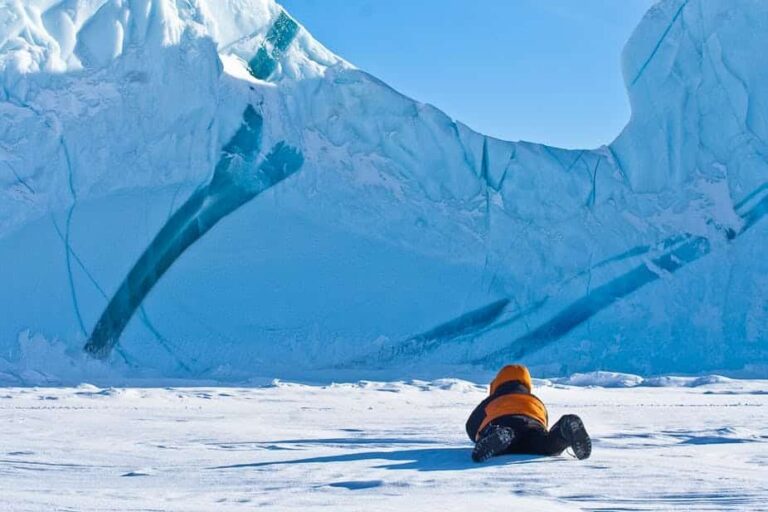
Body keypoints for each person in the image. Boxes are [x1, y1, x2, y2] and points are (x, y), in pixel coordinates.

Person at [466, 364, 592, 462]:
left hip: (503, 422)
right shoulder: (534, 400)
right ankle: (563, 431)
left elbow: (472, 425)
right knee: (547, 445)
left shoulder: (493, 399)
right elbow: (543, 420)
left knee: (499, 433)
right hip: (532, 427)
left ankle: (501, 434)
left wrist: (477, 437)